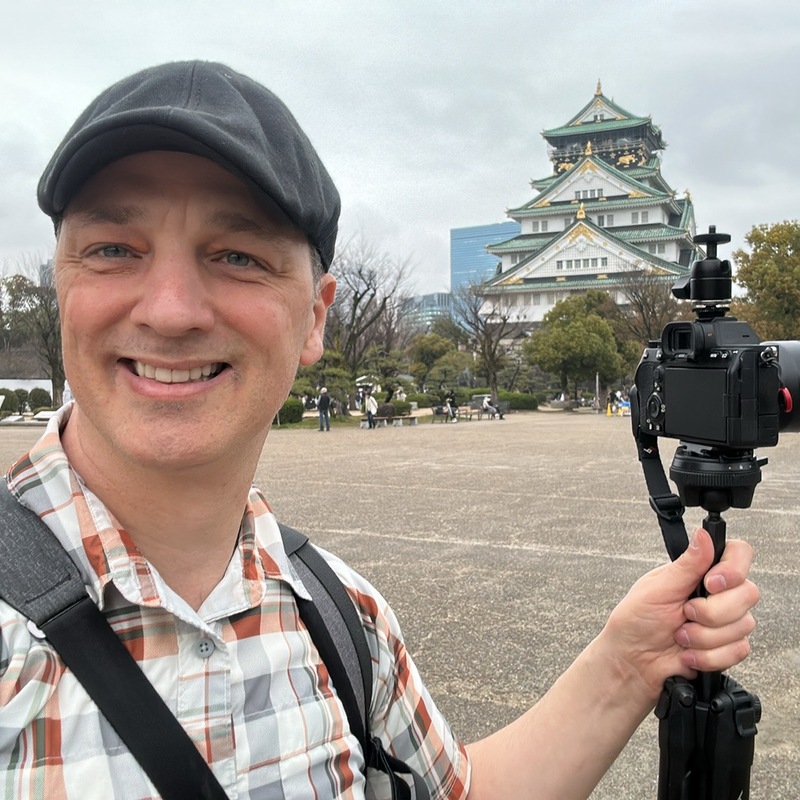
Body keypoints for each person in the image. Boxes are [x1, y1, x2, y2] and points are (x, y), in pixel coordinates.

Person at [0, 61, 758, 800]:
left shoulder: (342, 617)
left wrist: (629, 662)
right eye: (112, 250)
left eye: (237, 256)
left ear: (315, 317)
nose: (170, 311)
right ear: (60, 284)